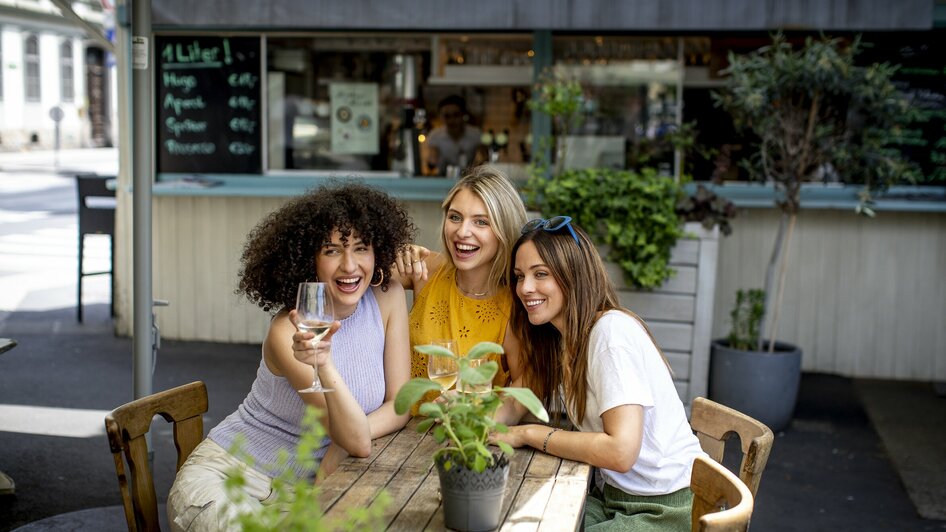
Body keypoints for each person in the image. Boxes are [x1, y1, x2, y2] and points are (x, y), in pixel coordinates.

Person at [167, 183, 415, 531]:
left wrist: (339, 447)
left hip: (307, 489)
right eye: (332, 251)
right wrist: (323, 364)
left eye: (362, 248)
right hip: (230, 480)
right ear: (309, 259)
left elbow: (400, 404)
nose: (350, 266)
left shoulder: (386, 298)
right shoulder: (289, 332)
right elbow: (356, 440)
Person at [494, 216, 705, 531]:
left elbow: (620, 452)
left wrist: (528, 434)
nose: (525, 288)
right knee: (515, 517)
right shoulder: (562, 340)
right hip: (613, 498)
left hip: (663, 510)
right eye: (519, 276)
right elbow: (520, 397)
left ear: (573, 276)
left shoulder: (610, 334)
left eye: (541, 274)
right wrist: (473, 426)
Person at [396, 165, 527, 406]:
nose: (462, 232)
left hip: (464, 434)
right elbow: (358, 274)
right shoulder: (427, 268)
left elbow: (525, 388)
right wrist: (395, 255)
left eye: (481, 222)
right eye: (455, 217)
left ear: (504, 230)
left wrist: (484, 409)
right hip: (398, 429)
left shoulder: (515, 305)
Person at [425, 94, 482, 176]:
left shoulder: (475, 134)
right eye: (447, 116)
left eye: (456, 115)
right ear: (441, 117)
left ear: (463, 115)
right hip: (442, 178)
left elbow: (482, 159)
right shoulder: (435, 135)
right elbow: (431, 164)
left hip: (469, 178)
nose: (451, 120)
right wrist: (432, 159)